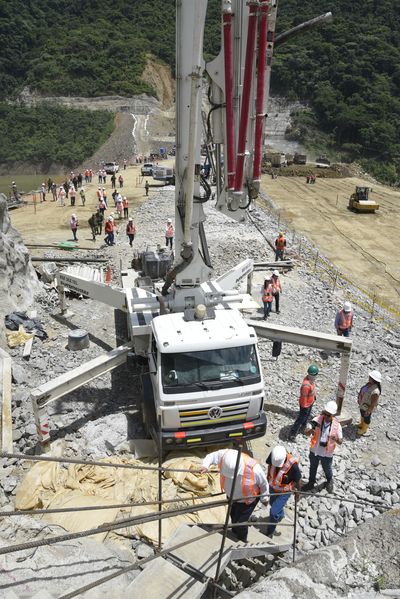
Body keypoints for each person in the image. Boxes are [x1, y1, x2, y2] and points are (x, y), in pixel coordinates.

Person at [201, 448, 269, 542]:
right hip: (232, 497)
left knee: (241, 523)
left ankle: (241, 540)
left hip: (247, 501)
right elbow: (212, 456)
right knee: (233, 515)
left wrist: (265, 499)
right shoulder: (225, 455)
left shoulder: (255, 470)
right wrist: (205, 465)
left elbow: (264, 484)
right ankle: (234, 533)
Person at [302, 401, 342, 493]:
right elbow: (307, 430)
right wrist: (309, 431)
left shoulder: (337, 425)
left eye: (329, 415)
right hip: (315, 450)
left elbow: (340, 441)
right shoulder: (317, 419)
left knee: (327, 468)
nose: (326, 417)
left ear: (333, 415)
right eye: (325, 414)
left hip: (327, 453)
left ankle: (329, 481)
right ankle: (311, 483)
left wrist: (335, 438)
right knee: (313, 467)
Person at [266, 446, 302, 538]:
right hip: (273, 487)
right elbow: (269, 466)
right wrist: (267, 480)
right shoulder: (273, 455)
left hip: (284, 491)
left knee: (273, 512)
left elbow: (298, 480)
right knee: (272, 503)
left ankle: (270, 532)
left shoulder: (292, 465)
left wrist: (298, 493)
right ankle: (281, 514)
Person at [289, 364, 319, 440]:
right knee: (300, 419)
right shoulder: (306, 385)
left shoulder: (310, 380)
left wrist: (313, 398)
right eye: (315, 375)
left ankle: (303, 428)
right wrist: (305, 407)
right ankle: (292, 433)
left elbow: (310, 392)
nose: (316, 377)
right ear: (312, 375)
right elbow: (303, 398)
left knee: (306, 417)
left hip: (310, 403)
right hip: (305, 405)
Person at [356, 370, 382, 436]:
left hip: (367, 407)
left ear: (373, 379)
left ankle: (364, 429)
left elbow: (373, 403)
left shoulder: (375, 392)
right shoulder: (369, 384)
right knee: (362, 414)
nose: (368, 377)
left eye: (370, 377)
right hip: (363, 404)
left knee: (367, 417)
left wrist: (369, 410)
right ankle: (361, 424)